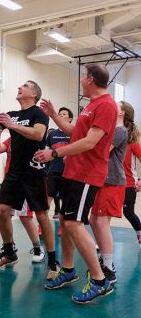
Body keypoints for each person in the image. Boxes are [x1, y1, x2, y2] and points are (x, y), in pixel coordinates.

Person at [35, 63, 117, 304]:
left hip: (87, 174)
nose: (81, 80)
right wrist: (52, 115)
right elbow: (75, 133)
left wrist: (56, 153)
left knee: (73, 223)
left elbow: (90, 142)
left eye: (83, 77)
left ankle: (100, 280)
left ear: (90, 79)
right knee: (65, 220)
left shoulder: (107, 106)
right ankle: (69, 271)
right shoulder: (90, 106)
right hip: (73, 172)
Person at [0, 80, 57, 277]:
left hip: (34, 172)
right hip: (14, 173)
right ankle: (9, 253)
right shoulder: (12, 114)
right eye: (20, 85)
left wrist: (13, 126)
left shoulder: (38, 114)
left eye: (25, 86)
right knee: (2, 211)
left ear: (33, 94)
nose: (19, 87)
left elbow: (39, 134)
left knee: (41, 216)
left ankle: (52, 261)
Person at [89, 101, 128, 285]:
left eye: (116, 104)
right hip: (101, 180)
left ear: (122, 113)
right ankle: (104, 259)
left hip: (112, 182)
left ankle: (109, 267)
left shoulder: (120, 131)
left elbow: (101, 149)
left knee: (102, 222)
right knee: (93, 220)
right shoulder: (113, 130)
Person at [0, 130, 45, 264]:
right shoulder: (10, 139)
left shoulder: (31, 138)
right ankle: (9, 246)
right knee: (4, 214)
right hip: (10, 182)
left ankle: (38, 248)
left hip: (24, 181)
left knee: (25, 216)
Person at [46, 107, 73, 218]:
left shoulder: (73, 133)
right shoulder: (52, 134)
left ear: (70, 119)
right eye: (60, 114)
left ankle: (63, 228)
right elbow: (46, 151)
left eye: (64, 114)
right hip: (52, 171)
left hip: (68, 173)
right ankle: (42, 226)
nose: (61, 115)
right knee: (47, 198)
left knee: (65, 201)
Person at [121, 101, 141, 250]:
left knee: (127, 211)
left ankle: (139, 232)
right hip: (111, 182)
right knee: (101, 213)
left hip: (128, 183)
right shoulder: (113, 135)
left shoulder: (132, 142)